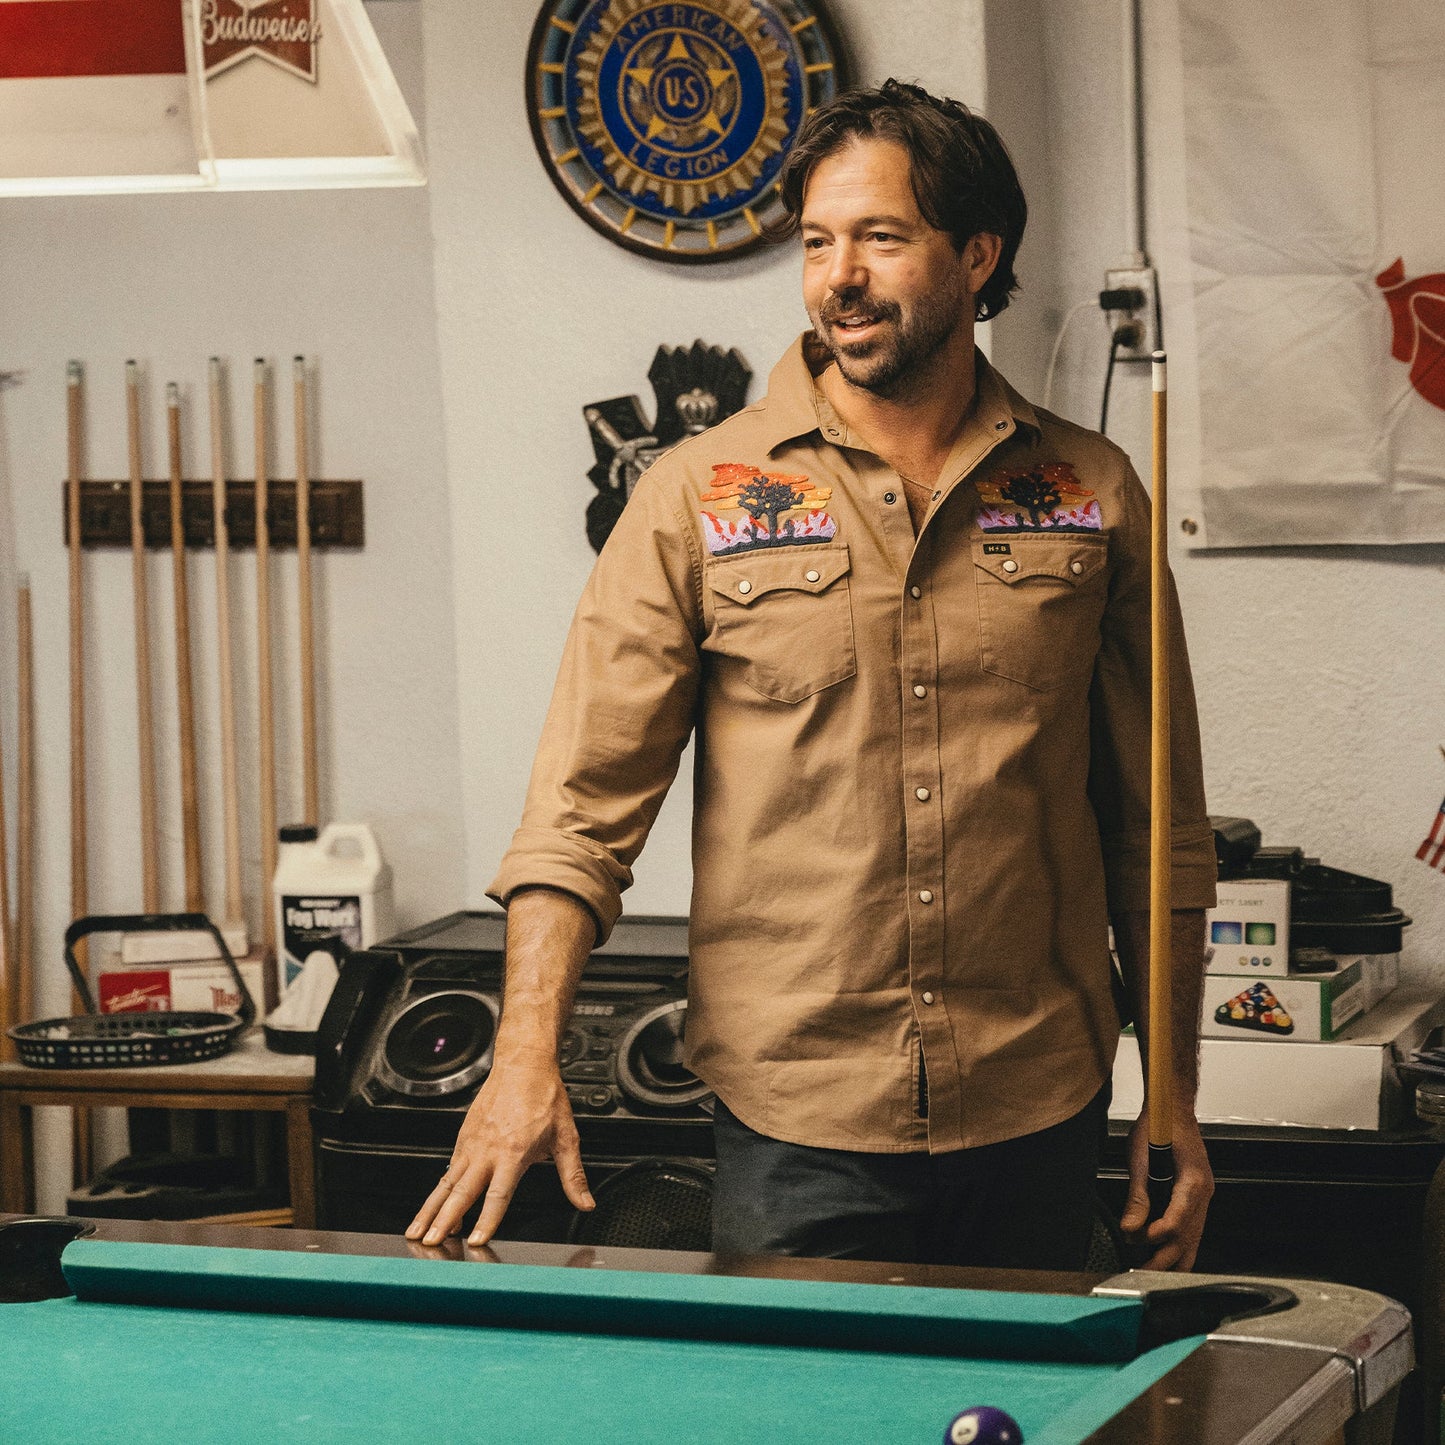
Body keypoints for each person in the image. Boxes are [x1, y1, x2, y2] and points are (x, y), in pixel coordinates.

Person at [408, 79, 1217, 1271]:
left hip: (1038, 1104)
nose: (838, 275)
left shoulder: (1090, 490)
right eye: (818, 241)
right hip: (796, 1123)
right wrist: (521, 1065)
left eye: (880, 238)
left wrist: (1174, 1094)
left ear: (974, 253)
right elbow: (577, 814)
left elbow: (1157, 832)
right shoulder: (696, 492)